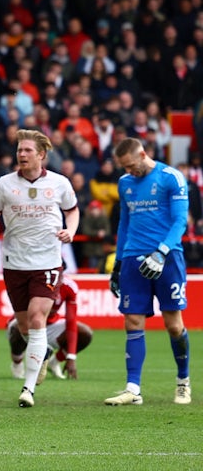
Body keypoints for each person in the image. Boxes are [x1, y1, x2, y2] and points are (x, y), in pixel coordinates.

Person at [0, 129, 79, 407]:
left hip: (47, 262)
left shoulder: (60, 183)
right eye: (19, 150)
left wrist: (70, 230)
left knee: (38, 319)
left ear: (41, 155)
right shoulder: (4, 184)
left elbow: (72, 210)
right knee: (24, 324)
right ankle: (43, 352)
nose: (21, 155)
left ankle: (28, 389)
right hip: (14, 262)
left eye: (27, 150)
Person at [105, 137, 191, 406]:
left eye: (131, 166)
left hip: (167, 258)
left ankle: (183, 381)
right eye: (124, 167)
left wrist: (161, 251)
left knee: (173, 325)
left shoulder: (171, 177)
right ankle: (133, 388)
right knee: (132, 321)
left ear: (143, 154)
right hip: (133, 258)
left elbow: (180, 221)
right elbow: (124, 224)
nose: (129, 171)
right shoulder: (124, 184)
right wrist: (118, 263)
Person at [8, 265, 93, 381]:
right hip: (28, 324)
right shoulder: (34, 280)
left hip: (51, 325)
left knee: (84, 333)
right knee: (16, 328)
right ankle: (17, 364)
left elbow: (71, 321)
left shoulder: (69, 286)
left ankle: (54, 362)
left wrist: (71, 356)